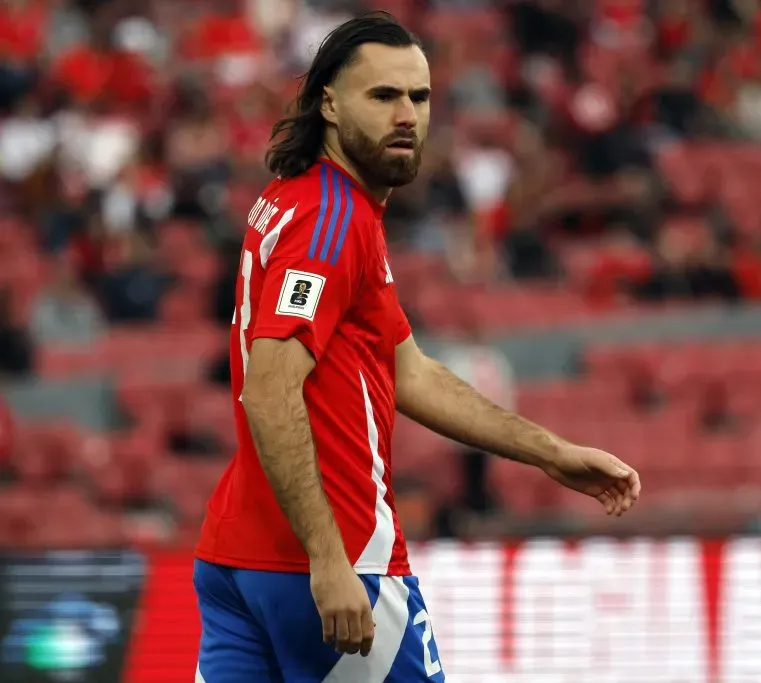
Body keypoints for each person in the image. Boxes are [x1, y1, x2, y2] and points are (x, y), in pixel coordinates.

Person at [192, 13, 642, 683]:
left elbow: (410, 371)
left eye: (419, 97)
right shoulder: (332, 222)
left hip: (235, 557)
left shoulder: (303, 202)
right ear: (331, 103)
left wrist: (552, 453)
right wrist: (328, 557)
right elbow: (269, 386)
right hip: (337, 565)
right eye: (383, 96)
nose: (406, 115)